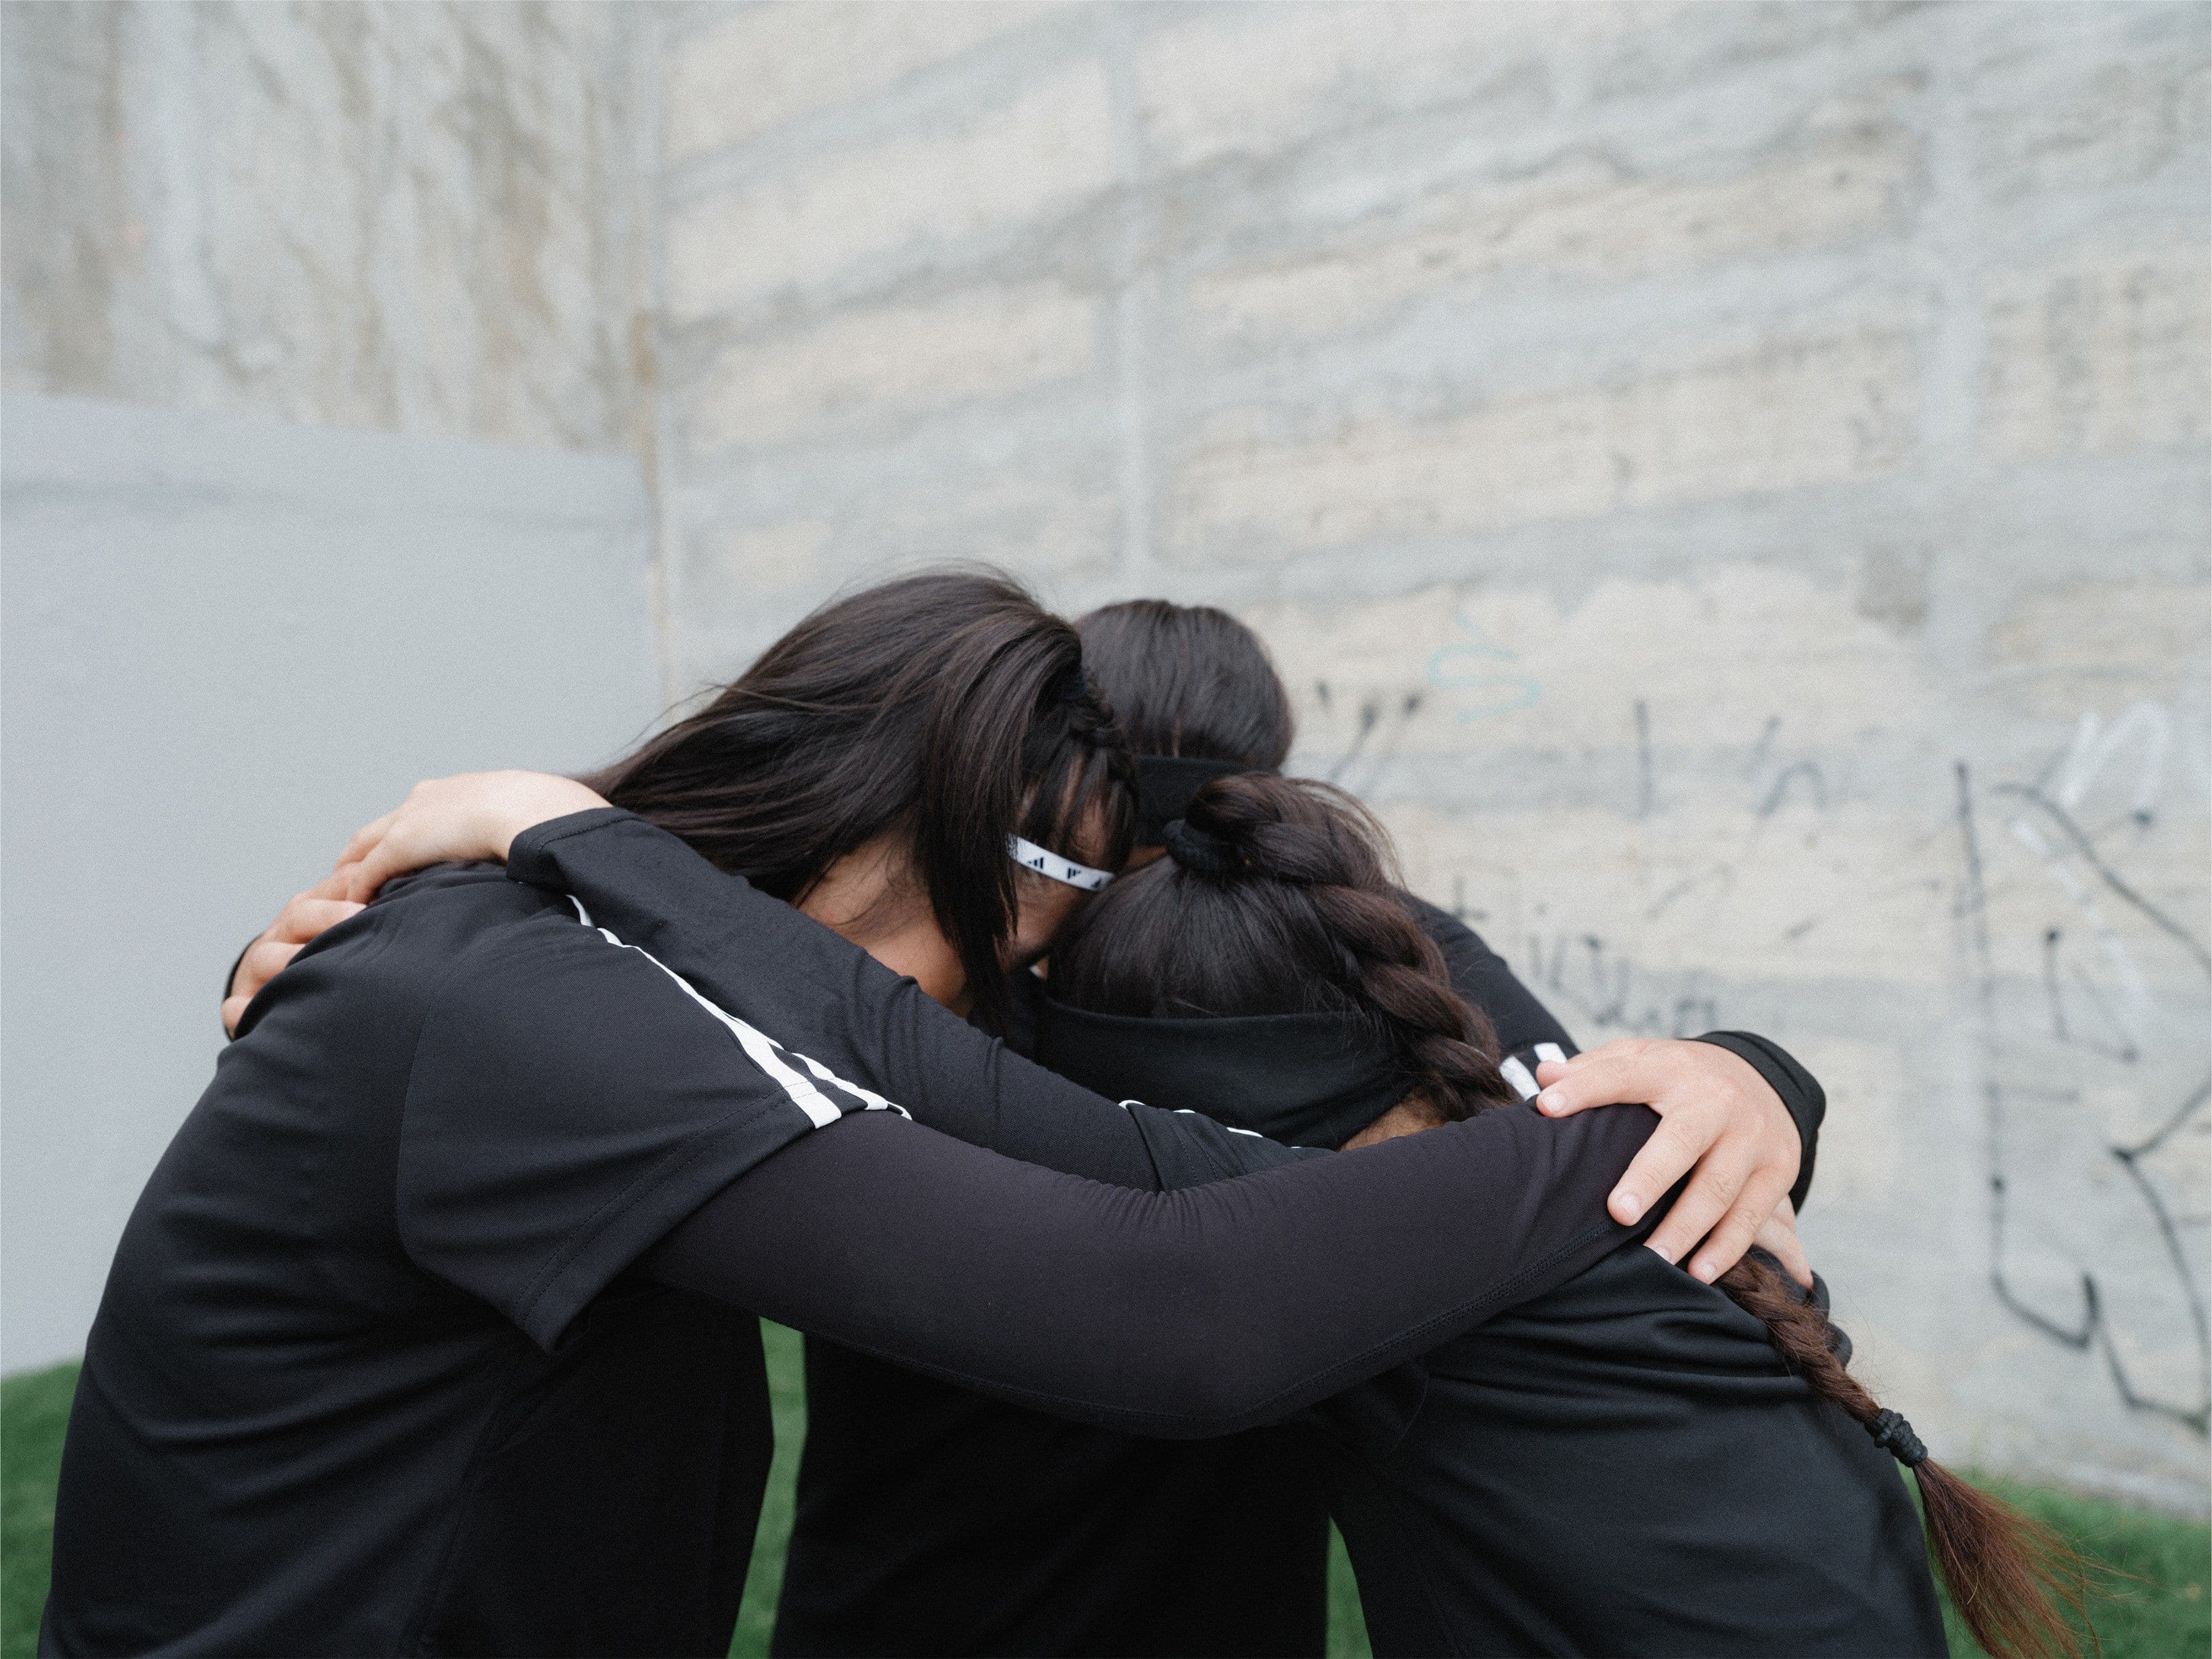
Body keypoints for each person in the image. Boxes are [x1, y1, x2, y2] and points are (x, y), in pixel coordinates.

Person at [50, 573, 1806, 1659]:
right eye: (991, 913)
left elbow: (1431, 1012)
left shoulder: (591, 956)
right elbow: (1171, 1304)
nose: (973, 997)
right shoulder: (521, 1003)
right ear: (848, 793)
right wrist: (1586, 1161)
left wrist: (1737, 1078)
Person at [438, 772, 2087, 1659]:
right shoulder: (1565, 1128)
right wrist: (1759, 1069)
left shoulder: (1335, 1222)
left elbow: (905, 1060)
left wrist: (570, 833)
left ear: (1204, 1091)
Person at [769, 598, 1810, 1658]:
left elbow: (1620, 1163)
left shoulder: (1316, 956)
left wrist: (1744, 1076)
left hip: (1157, 1599)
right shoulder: (947, 1014)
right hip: (931, 1598)